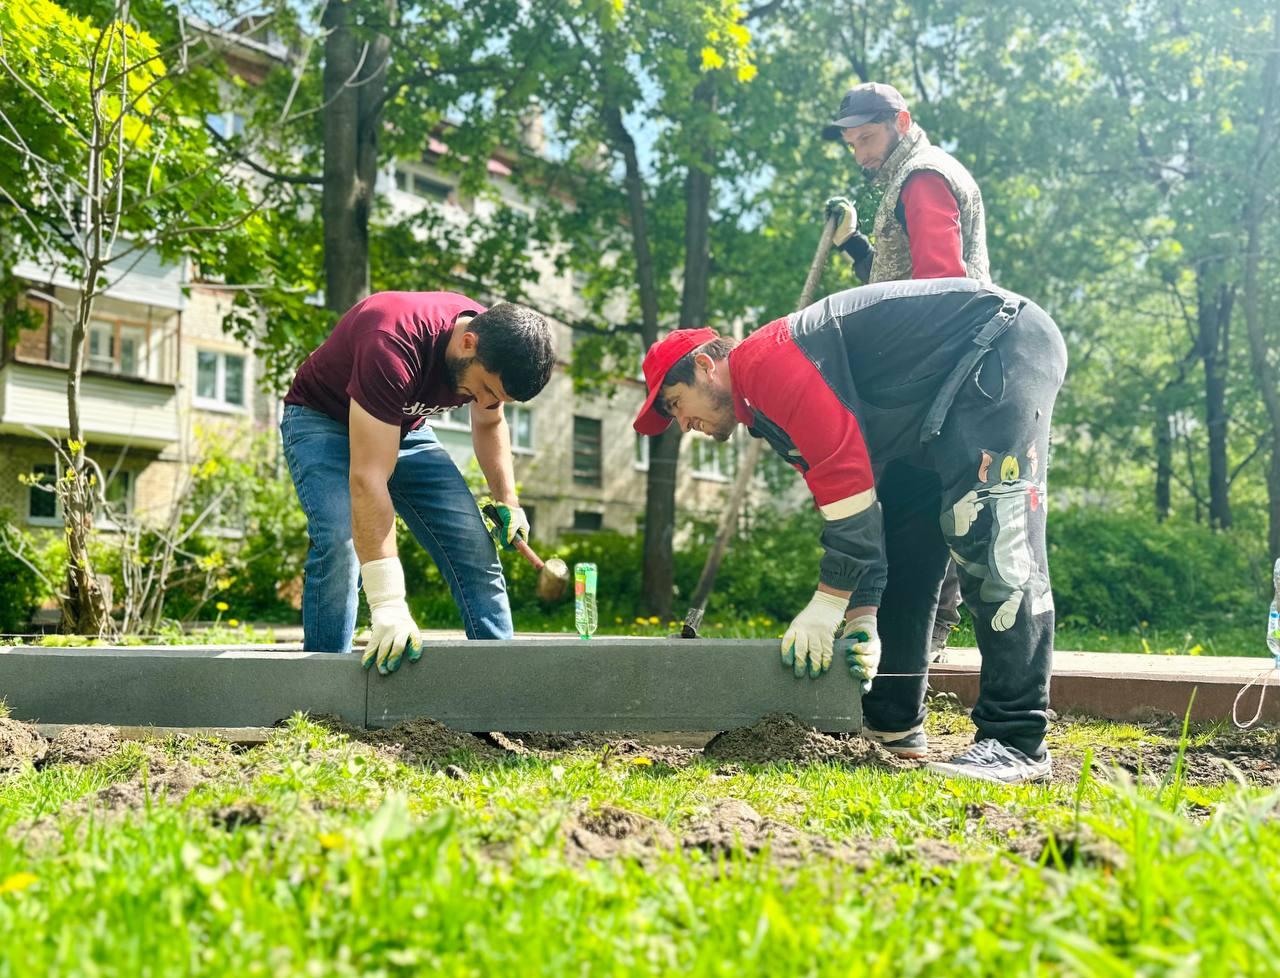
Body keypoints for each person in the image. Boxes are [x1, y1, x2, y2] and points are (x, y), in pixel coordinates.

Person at [632, 278, 1067, 784]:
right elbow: (856, 509)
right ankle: (892, 719)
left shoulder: (766, 361)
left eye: (675, 404)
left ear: (705, 366)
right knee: (907, 539)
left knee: (991, 531)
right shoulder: (764, 415)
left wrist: (827, 602)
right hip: (927, 409)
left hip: (998, 346)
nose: (683, 425)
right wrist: (862, 615)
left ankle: (1016, 739)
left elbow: (842, 477)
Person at [281, 291, 555, 675]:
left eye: (496, 396)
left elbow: (490, 423)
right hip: (323, 421)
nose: (484, 399)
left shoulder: (495, 344)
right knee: (340, 542)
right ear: (467, 342)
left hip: (404, 428)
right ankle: (323, 687)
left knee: (473, 545)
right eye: (487, 389)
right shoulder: (391, 340)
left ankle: (499, 681)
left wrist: (507, 499)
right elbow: (369, 478)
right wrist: (388, 602)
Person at [822, 81, 992, 659]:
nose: (861, 154)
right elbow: (900, 279)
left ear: (902, 121)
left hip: (936, 374)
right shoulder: (906, 177)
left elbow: (939, 288)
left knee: (919, 511)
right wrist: (854, 247)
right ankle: (910, 646)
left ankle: (922, 645)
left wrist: (895, 386)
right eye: (851, 144)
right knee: (917, 506)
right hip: (931, 368)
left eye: (867, 138)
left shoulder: (922, 177)